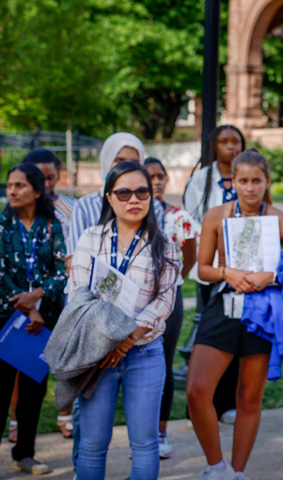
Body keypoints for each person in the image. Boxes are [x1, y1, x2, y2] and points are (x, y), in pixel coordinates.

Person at [185, 150, 283, 480]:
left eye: (257, 181)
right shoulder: (216, 216)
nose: (250, 188)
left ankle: (237, 473)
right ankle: (215, 466)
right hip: (223, 308)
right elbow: (202, 268)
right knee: (197, 391)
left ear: (267, 182)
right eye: (243, 181)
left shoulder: (282, 220)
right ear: (232, 181)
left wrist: (272, 276)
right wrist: (227, 273)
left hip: (264, 313)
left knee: (248, 399)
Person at [68, 161, 178, 479]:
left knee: (144, 444)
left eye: (141, 192)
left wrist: (127, 339)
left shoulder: (166, 245)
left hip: (144, 352)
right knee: (92, 443)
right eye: (124, 192)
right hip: (97, 354)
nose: (134, 200)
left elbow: (164, 301)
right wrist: (109, 343)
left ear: (151, 197)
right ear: (109, 198)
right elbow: (79, 295)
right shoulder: (91, 239)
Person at [0, 163, 67, 475]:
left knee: (32, 390)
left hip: (42, 325)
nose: (12, 191)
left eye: (20, 185)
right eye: (10, 185)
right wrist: (29, 306)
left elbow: (61, 272)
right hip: (6, 320)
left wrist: (38, 297)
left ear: (37, 191)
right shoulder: (1, 224)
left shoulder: (52, 225)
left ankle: (24, 454)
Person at [183, 125, 246, 423]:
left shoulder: (247, 177)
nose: (231, 147)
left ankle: (227, 403)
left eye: (236, 142)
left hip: (244, 272)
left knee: (237, 336)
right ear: (214, 145)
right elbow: (191, 221)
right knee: (209, 334)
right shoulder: (201, 179)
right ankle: (200, 401)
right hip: (211, 271)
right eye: (224, 141)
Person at [144, 157, 200, 459]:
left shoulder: (178, 216)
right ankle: (142, 432)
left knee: (163, 363)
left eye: (160, 176)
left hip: (170, 297)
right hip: (138, 298)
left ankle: (161, 431)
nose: (156, 181)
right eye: (150, 176)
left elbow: (190, 253)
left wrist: (177, 277)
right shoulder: (134, 213)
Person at [21, 148, 76, 438]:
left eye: (51, 177)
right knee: (24, 360)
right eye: (39, 178)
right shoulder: (17, 213)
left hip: (64, 295)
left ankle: (65, 414)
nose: (47, 184)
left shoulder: (71, 209)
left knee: (68, 360)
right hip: (25, 299)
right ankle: (18, 423)